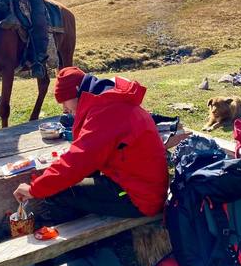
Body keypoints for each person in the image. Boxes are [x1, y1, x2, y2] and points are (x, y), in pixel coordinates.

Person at [13, 67, 169, 223]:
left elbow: (78, 160)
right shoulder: (110, 101)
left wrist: (35, 189)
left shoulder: (105, 111)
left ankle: (71, 243)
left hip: (138, 198)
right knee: (72, 183)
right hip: (144, 187)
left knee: (56, 192)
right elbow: (88, 157)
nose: (64, 108)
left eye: (64, 101)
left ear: (76, 92)